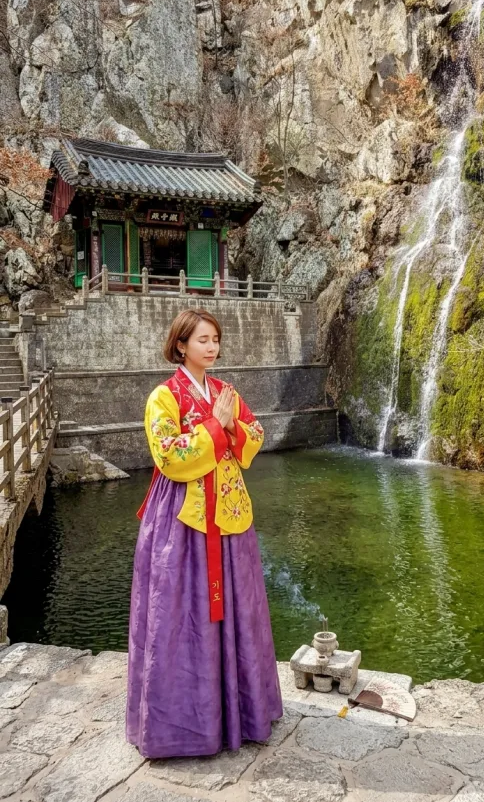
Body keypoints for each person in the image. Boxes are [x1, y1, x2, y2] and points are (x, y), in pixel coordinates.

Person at [126, 308, 283, 758]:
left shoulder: (225, 392)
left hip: (230, 515)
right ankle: (183, 727)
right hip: (183, 520)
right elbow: (168, 456)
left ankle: (241, 715)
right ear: (180, 345)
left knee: (239, 608)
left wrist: (230, 423)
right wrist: (217, 425)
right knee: (180, 614)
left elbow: (255, 434)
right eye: (202, 340)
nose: (212, 347)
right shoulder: (164, 397)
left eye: (215, 339)